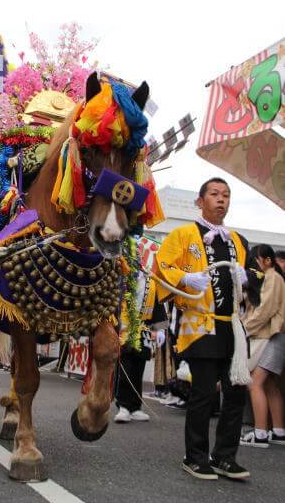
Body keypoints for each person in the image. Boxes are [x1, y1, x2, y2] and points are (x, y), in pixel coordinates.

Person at [155, 177, 250, 481]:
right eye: (214, 194)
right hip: (199, 324)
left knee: (235, 394)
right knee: (204, 393)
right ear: (200, 201)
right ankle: (194, 456)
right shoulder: (183, 234)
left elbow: (246, 287)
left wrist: (247, 279)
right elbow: (161, 266)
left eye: (226, 195)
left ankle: (224, 456)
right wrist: (185, 279)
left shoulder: (237, 241)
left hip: (231, 327)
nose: (221, 199)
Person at [241, 244, 285, 448]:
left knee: (255, 383)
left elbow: (266, 309)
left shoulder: (273, 277)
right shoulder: (274, 277)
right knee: (269, 384)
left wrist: (245, 329)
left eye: (256, 260)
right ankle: (277, 431)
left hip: (275, 335)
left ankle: (260, 433)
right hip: (277, 335)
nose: (255, 264)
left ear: (267, 261)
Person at [114, 275, 168, 422]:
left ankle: (135, 406)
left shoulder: (151, 282)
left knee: (139, 367)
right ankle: (123, 406)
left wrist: (160, 330)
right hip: (124, 330)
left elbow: (158, 307)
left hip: (143, 330)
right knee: (126, 367)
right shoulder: (122, 278)